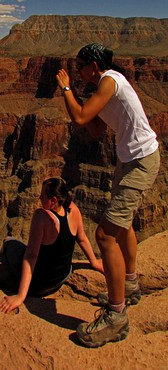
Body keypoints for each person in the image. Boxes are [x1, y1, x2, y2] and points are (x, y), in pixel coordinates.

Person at [56, 43, 160, 347]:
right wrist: (76, 98)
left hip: (140, 162)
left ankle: (116, 317)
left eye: (79, 66)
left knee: (105, 236)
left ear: (93, 65)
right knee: (122, 224)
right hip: (129, 160)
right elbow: (95, 129)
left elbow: (78, 119)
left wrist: (65, 89)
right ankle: (129, 286)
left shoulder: (110, 80)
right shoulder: (102, 87)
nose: (76, 72)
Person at [0, 177, 103, 314]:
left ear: (53, 200)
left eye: (43, 195)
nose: (39, 197)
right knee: (26, 245)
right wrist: (94, 262)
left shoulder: (41, 217)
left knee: (9, 241)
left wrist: (20, 296)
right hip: (62, 277)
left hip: (40, 286)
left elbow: (31, 256)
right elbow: (82, 239)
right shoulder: (73, 209)